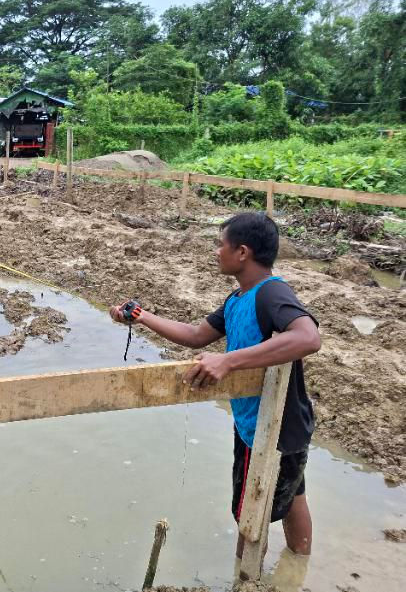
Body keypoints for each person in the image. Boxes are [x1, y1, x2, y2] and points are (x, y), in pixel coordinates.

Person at [110, 212, 320, 560]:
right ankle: (297, 567)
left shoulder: (272, 293)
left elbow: (308, 338)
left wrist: (228, 361)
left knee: (251, 513)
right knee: (292, 492)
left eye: (220, 244)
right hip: (276, 420)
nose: (215, 251)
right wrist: (141, 316)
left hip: (271, 426)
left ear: (242, 252)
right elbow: (196, 336)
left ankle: (246, 578)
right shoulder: (238, 299)